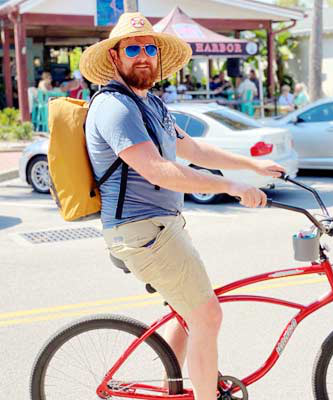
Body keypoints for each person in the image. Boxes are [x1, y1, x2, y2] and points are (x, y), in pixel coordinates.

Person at [80, 12, 285, 400]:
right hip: (142, 231)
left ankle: (171, 391)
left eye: (149, 48)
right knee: (208, 315)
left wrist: (252, 165)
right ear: (114, 58)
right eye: (133, 48)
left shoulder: (151, 103)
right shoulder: (114, 107)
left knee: (191, 315)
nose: (143, 55)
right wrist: (233, 188)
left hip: (163, 227)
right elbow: (159, 171)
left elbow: (191, 149)